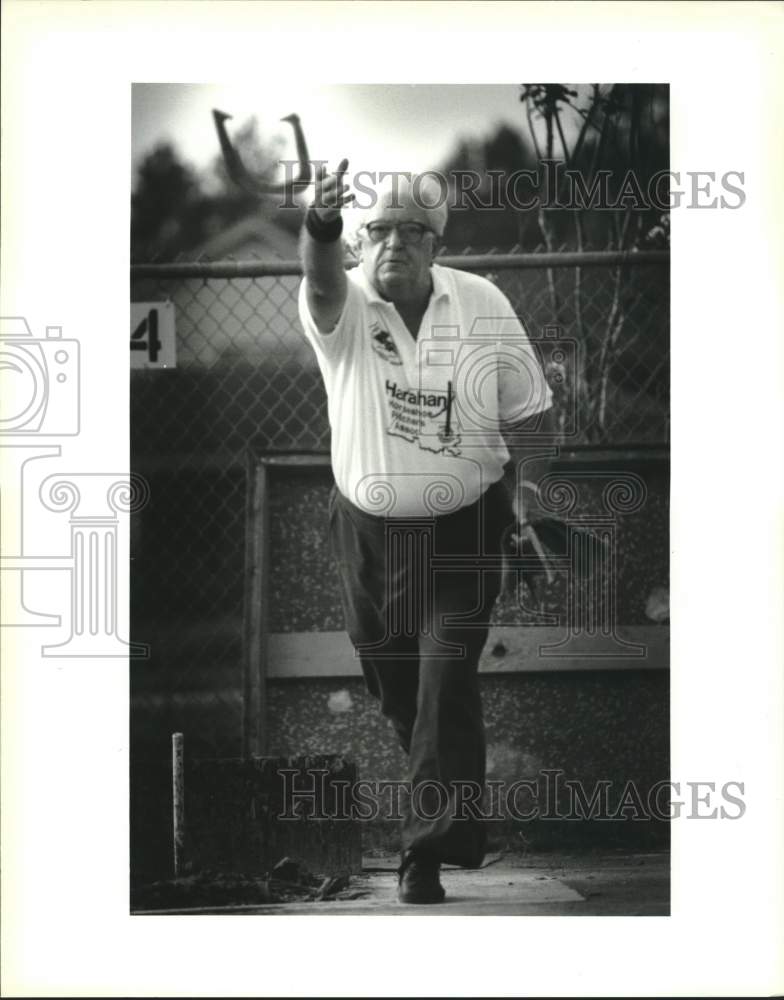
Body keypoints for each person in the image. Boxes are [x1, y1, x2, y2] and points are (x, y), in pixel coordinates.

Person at [297, 162, 554, 903]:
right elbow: (318, 280)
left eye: (412, 231)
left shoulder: (481, 305)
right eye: (377, 229)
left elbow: (532, 416)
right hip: (370, 536)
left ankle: (425, 853)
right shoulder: (343, 307)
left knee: (445, 675)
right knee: (400, 690)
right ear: (359, 238)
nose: (393, 244)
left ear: (437, 244)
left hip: (465, 526)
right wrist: (317, 225)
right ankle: (452, 813)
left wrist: (530, 500)